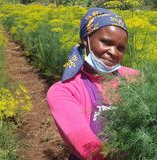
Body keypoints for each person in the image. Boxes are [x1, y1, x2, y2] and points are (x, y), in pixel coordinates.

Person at [47, 8, 138, 160]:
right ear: (86, 39)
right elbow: (88, 147)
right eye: (106, 42)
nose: (114, 52)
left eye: (120, 48)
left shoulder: (135, 78)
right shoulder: (64, 91)